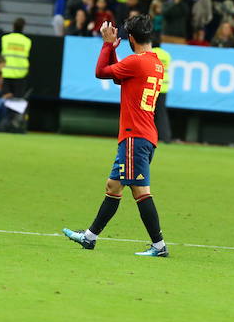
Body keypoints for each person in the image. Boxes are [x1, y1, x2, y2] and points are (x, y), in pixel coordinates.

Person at [63, 15, 169, 257]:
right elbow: (118, 76)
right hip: (144, 135)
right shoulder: (155, 63)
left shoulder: (136, 62)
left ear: (130, 38)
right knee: (113, 186)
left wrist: (107, 45)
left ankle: (159, 246)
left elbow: (101, 72)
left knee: (140, 190)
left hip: (135, 136)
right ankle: (89, 237)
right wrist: (112, 49)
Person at [1, 17, 32, 96]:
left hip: (6, 73)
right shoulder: (27, 41)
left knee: (6, 99)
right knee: (17, 101)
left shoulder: (5, 39)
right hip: (20, 75)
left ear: (13, 26)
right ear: (23, 27)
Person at [151, 37, 172, 143]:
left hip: (153, 86)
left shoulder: (151, 53)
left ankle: (150, 136)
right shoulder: (166, 55)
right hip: (164, 86)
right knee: (162, 113)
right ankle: (166, 137)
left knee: (149, 112)